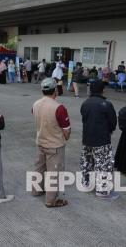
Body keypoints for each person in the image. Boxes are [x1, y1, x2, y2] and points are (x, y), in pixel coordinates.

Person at [31, 78, 71, 208]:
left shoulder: (36, 104)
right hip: (54, 145)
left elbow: (36, 115)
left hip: (40, 141)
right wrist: (65, 137)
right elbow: (66, 131)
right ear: (55, 90)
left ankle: (36, 190)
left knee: (39, 168)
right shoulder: (59, 108)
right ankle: (50, 200)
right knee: (54, 173)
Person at [80, 80, 118, 199]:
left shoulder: (85, 103)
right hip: (102, 140)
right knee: (103, 164)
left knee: (87, 162)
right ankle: (102, 191)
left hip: (87, 139)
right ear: (103, 90)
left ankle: (85, 184)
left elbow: (84, 120)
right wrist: (108, 131)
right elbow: (113, 123)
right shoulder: (106, 104)